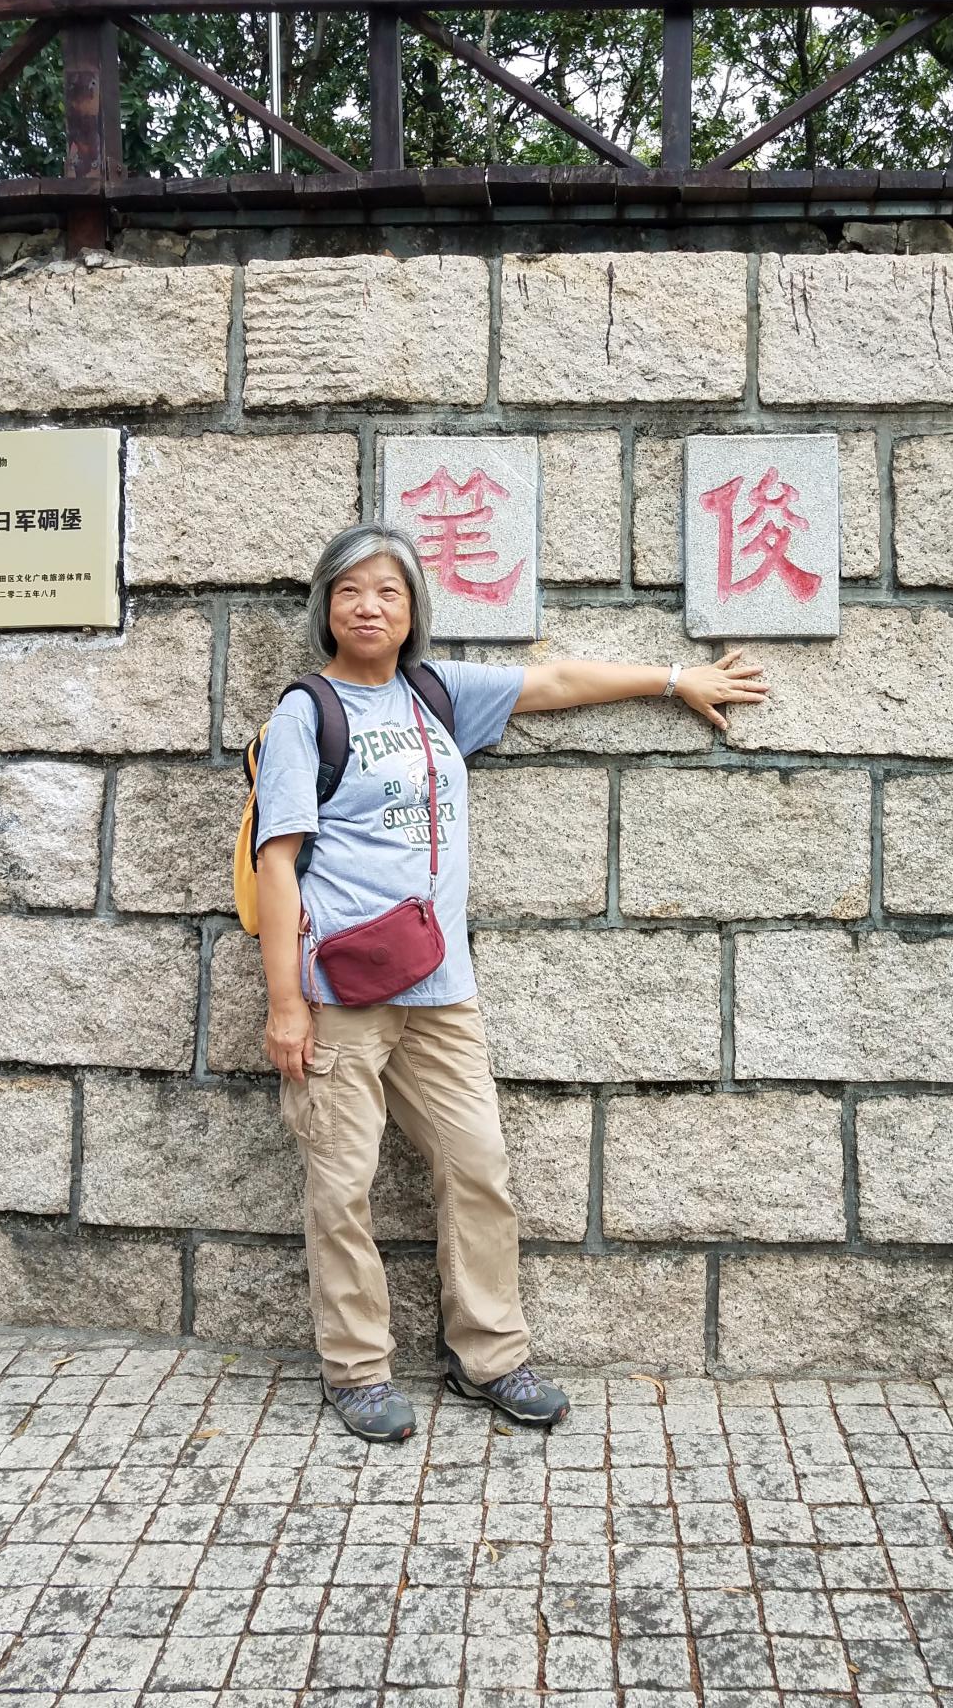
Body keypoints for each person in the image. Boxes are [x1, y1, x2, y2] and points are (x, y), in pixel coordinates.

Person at [253, 524, 769, 1443]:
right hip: (338, 992)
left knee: (478, 1166)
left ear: (412, 610)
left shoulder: (435, 693)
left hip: (440, 989)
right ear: (325, 607)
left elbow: (554, 682)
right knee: (343, 1186)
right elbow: (278, 860)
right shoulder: (308, 713)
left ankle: (488, 1356)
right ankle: (357, 1370)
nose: (369, 607)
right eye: (350, 591)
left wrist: (673, 679)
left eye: (388, 592)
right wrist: (286, 1004)